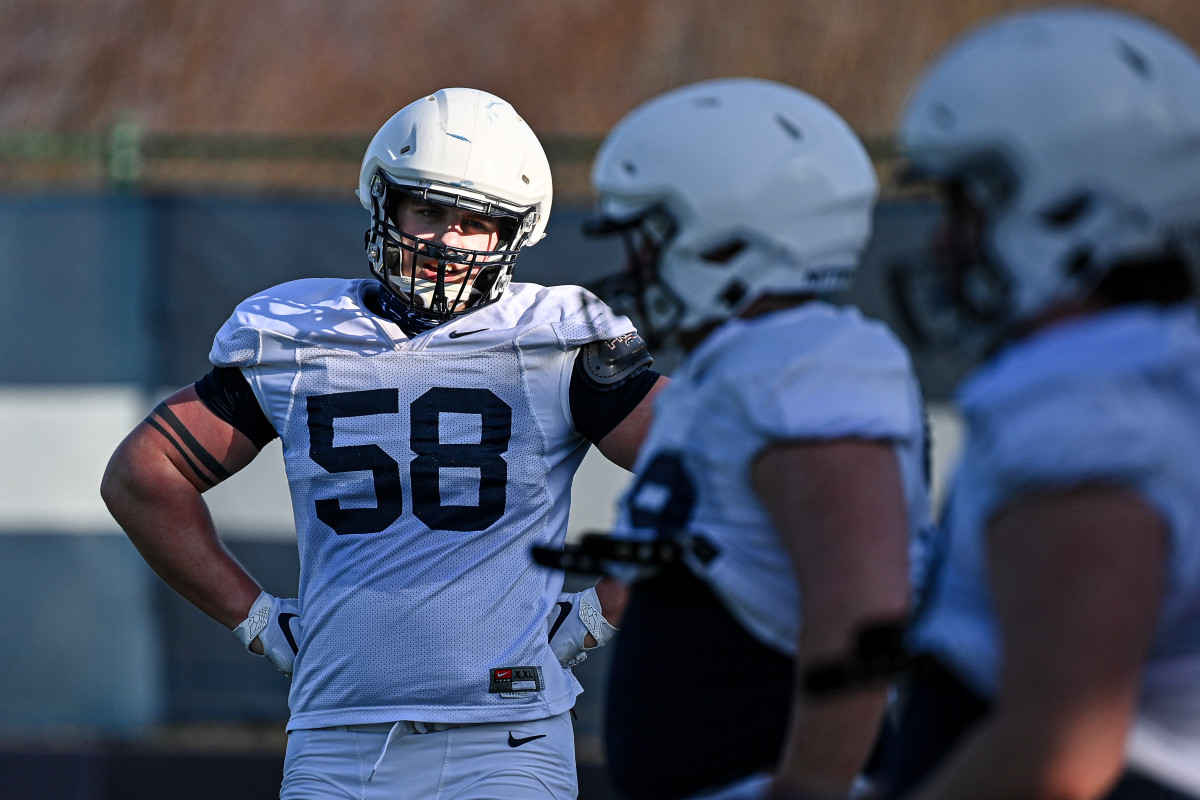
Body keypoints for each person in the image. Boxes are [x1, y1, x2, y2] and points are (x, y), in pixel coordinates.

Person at [100, 87, 665, 800]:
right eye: (427, 210)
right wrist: (259, 621)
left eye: (475, 222)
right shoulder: (297, 335)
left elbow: (710, 467)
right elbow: (144, 476)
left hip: (506, 741)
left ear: (514, 235)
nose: (444, 241)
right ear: (384, 203)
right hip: (336, 737)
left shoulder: (556, 339)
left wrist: (599, 612)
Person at [575, 77, 932, 800]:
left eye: (655, 238)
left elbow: (865, 605)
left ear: (731, 238)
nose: (639, 265)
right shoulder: (742, 363)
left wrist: (810, 785)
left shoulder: (800, 361)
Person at [878, 7, 1200, 800]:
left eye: (968, 204)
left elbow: (1058, 749)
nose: (944, 242)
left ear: (1071, 207)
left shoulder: (1081, 408)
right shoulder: (1148, 370)